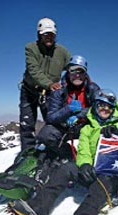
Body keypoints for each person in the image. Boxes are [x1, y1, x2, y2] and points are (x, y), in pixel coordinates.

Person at [7, 89, 118, 215]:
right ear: (95, 106)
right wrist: (85, 165)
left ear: (114, 108)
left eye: (109, 106)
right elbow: (84, 150)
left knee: (99, 188)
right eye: (101, 105)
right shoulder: (88, 128)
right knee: (65, 169)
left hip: (112, 173)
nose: (105, 109)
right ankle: (38, 208)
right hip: (93, 169)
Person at [19, 17, 71, 151]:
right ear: (39, 35)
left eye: (51, 35)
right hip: (30, 90)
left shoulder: (62, 52)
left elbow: (73, 69)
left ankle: (52, 150)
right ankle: (27, 154)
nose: (49, 37)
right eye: (45, 35)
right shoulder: (31, 48)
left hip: (49, 93)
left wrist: (85, 81)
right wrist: (49, 84)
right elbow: (34, 70)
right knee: (27, 124)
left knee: (53, 122)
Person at [35, 54, 100, 159]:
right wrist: (68, 110)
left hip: (86, 126)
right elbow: (51, 117)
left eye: (81, 72)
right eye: (73, 71)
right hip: (65, 127)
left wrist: (79, 115)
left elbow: (98, 109)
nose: (77, 75)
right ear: (68, 72)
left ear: (85, 73)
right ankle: (68, 155)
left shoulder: (93, 88)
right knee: (46, 135)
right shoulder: (59, 91)